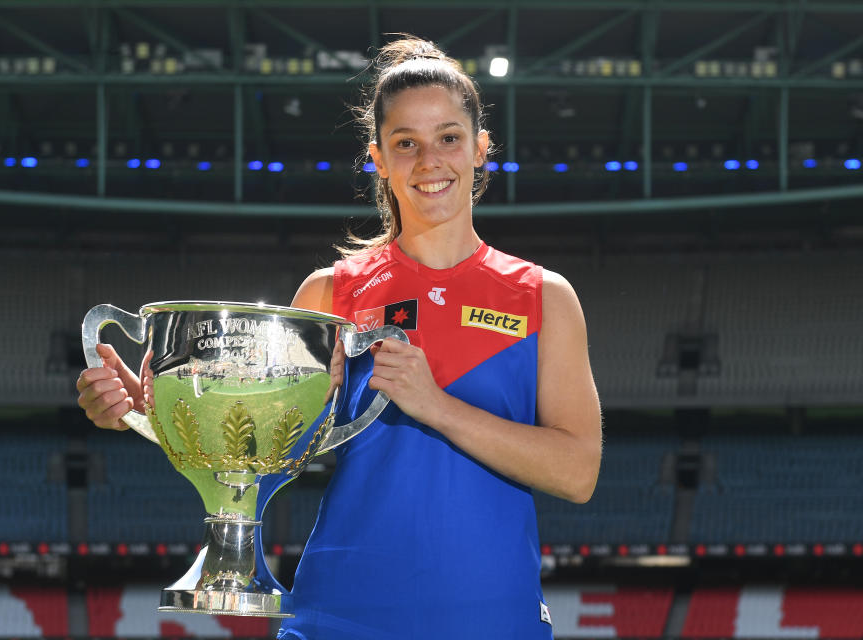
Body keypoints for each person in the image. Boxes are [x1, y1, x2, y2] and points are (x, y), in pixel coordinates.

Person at [77, 35, 601, 640]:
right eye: (406, 143)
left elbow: (578, 471)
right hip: (339, 617)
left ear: (481, 149)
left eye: (449, 138)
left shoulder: (543, 297)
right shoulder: (331, 296)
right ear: (377, 157)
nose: (430, 160)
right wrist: (155, 415)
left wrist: (437, 406)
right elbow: (266, 460)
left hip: (490, 618)